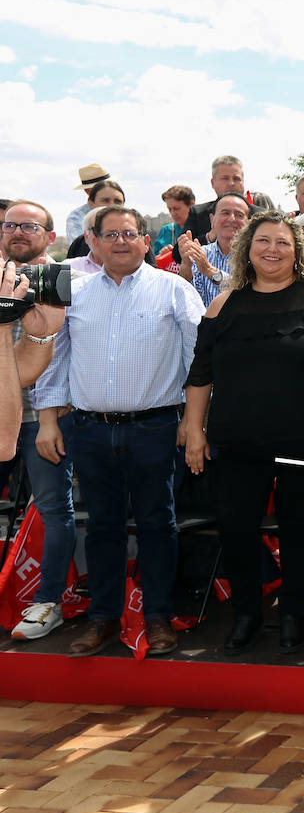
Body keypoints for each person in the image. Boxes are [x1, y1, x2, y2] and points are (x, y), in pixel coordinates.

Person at [33, 205, 205, 658]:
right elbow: (54, 360)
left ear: (146, 242)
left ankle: (158, 616)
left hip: (156, 428)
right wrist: (47, 421)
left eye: (129, 234)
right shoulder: (73, 293)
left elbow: (199, 360)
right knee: (103, 527)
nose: (120, 242)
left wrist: (195, 423)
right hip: (89, 430)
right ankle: (104, 617)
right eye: (110, 235)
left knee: (158, 524)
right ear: (93, 242)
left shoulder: (174, 289)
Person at [183, 211, 304, 656]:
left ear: (298, 251)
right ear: (247, 249)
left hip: (303, 441)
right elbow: (200, 374)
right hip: (236, 441)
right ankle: (247, 614)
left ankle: (292, 614)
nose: (272, 249)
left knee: (296, 530)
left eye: (283, 242)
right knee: (237, 530)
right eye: (263, 241)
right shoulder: (222, 305)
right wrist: (194, 430)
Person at [4, 202, 74, 641]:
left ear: (49, 235)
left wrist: (50, 417)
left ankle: (48, 601)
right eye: (10, 224)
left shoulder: (66, 282)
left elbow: (66, 357)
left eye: (29, 225)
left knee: (53, 509)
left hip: (42, 418)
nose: (17, 232)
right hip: (2, 415)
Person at [183, 155, 277, 247]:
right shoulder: (198, 213)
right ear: (213, 183)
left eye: (236, 179)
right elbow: (180, 251)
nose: (231, 183)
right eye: (225, 178)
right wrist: (210, 237)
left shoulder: (260, 215)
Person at [180, 192, 248, 306]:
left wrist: (209, 270)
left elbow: (245, 293)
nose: (232, 219)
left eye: (239, 215)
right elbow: (187, 299)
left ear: (248, 222)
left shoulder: (255, 256)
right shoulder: (201, 253)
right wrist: (186, 266)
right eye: (225, 213)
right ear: (212, 220)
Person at [64, 180, 126, 260]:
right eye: (105, 201)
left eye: (118, 201)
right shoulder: (81, 243)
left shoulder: (135, 235)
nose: (112, 205)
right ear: (91, 203)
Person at [65, 162, 112, 246]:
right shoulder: (76, 217)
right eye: (101, 187)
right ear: (88, 191)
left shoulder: (125, 214)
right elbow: (79, 247)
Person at [154, 185, 195, 257]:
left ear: (191, 205)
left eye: (176, 208)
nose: (173, 213)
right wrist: (162, 255)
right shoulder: (166, 231)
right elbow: (155, 258)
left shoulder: (204, 228)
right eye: (169, 209)